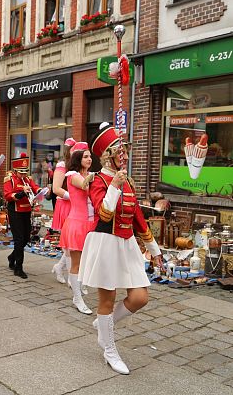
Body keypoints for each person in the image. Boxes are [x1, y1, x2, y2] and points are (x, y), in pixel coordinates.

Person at [79, 123, 163, 375]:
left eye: (125, 151)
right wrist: (114, 185)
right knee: (108, 299)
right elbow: (104, 214)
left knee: (140, 297)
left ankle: (103, 324)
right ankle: (109, 350)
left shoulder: (129, 182)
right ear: (108, 156)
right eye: (120, 151)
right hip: (105, 243)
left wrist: (155, 251)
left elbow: (138, 218)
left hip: (127, 245)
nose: (125, 155)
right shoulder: (97, 180)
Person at [58, 142, 94, 315]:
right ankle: (78, 298)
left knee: (86, 263)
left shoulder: (89, 174)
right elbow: (86, 185)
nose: (89, 159)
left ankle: (78, 294)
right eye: (86, 156)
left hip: (91, 224)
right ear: (78, 159)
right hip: (77, 224)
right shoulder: (72, 175)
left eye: (90, 156)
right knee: (77, 264)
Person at [3, 153, 41, 279]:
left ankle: (12, 257)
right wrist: (21, 192)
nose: (24, 175)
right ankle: (18, 268)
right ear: (15, 171)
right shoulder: (10, 179)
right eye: (21, 173)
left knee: (25, 238)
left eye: (25, 172)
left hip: (26, 211)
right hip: (15, 212)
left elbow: (35, 188)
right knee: (19, 239)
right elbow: (8, 195)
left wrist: (41, 192)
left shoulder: (28, 179)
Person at [51, 138, 75, 283]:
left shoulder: (76, 166)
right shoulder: (62, 165)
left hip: (74, 206)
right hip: (65, 205)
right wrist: (73, 197)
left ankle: (60, 267)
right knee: (69, 245)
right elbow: (56, 189)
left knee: (72, 244)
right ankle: (73, 279)